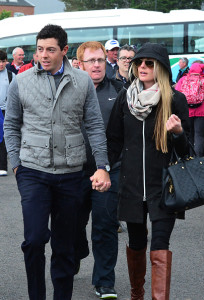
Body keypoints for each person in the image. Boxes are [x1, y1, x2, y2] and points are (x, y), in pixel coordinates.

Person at [4, 24, 111, 300]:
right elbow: (12, 125)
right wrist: (16, 164)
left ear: (64, 51)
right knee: (35, 239)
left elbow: (95, 125)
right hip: (32, 171)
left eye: (51, 50)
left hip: (72, 173)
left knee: (65, 247)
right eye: (40, 50)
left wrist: (101, 165)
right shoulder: (22, 81)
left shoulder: (82, 81)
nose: (44, 55)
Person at [106, 42, 190, 300]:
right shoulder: (125, 97)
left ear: (161, 68)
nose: (142, 66)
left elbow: (188, 152)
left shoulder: (175, 99)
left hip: (164, 184)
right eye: (139, 62)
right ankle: (137, 294)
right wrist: (104, 170)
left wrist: (177, 134)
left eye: (149, 63)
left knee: (160, 244)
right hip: (131, 184)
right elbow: (114, 140)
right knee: (137, 243)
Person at [77, 41, 123, 299]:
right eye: (91, 60)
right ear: (79, 64)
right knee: (71, 226)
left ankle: (104, 281)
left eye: (100, 60)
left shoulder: (119, 91)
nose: (96, 65)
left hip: (109, 170)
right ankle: (75, 253)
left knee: (105, 225)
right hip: (73, 170)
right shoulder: (69, 90)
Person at [175, 62, 204, 157]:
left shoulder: (183, 79)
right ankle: (199, 159)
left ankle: (190, 158)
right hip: (202, 113)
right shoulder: (203, 80)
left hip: (187, 112)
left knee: (190, 136)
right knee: (199, 136)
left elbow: (177, 93)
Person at [0, 50, 14, 176]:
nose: (1, 64)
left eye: (3, 61)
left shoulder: (10, 75)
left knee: (4, 138)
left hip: (5, 110)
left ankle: (2, 166)